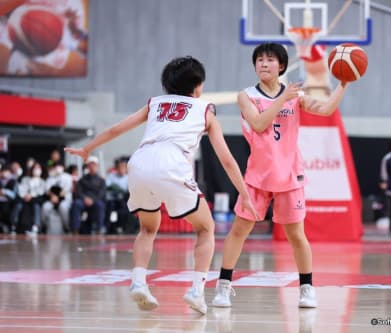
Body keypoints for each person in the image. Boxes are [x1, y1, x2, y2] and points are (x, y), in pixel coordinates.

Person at [65, 56, 258, 315]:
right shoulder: (205, 109)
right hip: (172, 164)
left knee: (147, 228)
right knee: (205, 228)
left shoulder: (154, 103)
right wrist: (244, 194)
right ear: (198, 85)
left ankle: (138, 282)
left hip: (140, 163)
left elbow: (115, 130)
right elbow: (226, 159)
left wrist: (87, 149)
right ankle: (196, 291)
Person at [211, 43, 349, 309]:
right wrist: (282, 100)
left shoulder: (295, 96)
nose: (264, 63)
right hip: (258, 176)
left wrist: (343, 84)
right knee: (240, 230)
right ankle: (223, 286)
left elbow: (325, 109)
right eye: (260, 59)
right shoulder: (246, 95)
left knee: (297, 235)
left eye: (270, 59)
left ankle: (307, 289)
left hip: (290, 175)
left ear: (282, 66)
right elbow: (259, 124)